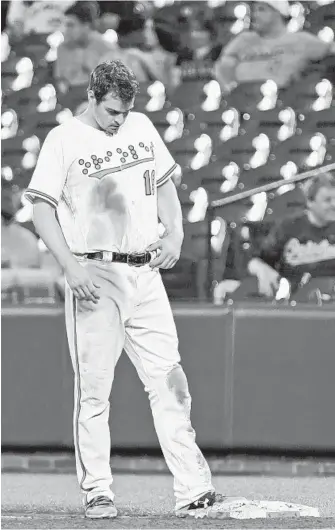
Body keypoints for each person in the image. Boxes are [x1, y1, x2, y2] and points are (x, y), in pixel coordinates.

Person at [24, 60, 242, 520]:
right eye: (110, 111)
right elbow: (41, 209)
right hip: (94, 276)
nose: (119, 119)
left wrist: (176, 233)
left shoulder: (141, 126)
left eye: (124, 110)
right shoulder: (63, 139)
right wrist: (69, 266)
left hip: (145, 274)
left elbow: (163, 184)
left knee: (170, 381)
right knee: (95, 392)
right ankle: (98, 491)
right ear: (91, 95)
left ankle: (193, 489)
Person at [214, 0, 335, 93]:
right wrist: (230, 89)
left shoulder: (301, 40)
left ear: (278, 12)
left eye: (261, 10)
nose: (254, 15)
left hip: (281, 101)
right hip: (242, 103)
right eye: (254, 10)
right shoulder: (243, 39)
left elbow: (330, 52)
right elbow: (223, 66)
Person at [247, 173, 335, 297]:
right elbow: (256, 261)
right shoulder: (288, 227)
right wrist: (262, 270)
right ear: (310, 202)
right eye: (327, 200)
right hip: (293, 301)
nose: (334, 205)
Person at [54, 2, 114, 90]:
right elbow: (61, 82)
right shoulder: (62, 48)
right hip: (71, 99)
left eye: (70, 25)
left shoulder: (107, 49)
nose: (65, 30)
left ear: (86, 26)